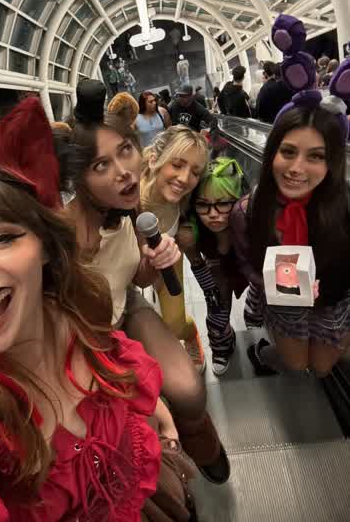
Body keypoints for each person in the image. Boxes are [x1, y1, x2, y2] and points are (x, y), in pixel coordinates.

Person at [0, 98, 182, 520]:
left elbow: (113, 363)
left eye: (0, 238)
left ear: (46, 247)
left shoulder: (74, 314)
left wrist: (150, 413)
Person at [62, 78, 231, 484]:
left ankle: (203, 442)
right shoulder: (63, 234)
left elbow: (137, 276)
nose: (123, 172)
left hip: (127, 305)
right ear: (79, 177)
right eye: (100, 165)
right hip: (83, 336)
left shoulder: (130, 206)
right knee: (135, 423)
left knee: (189, 391)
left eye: (125, 151)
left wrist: (157, 260)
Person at [231, 15, 350, 377]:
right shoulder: (250, 210)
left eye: (316, 156)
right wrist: (275, 283)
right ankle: (267, 351)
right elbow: (248, 261)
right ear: (272, 153)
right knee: (297, 365)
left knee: (323, 367)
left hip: (334, 299)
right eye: (288, 152)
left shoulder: (344, 202)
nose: (297, 168)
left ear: (332, 162)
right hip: (284, 301)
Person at [140, 126, 209, 370]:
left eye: (195, 172)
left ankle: (191, 336)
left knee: (175, 323)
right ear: (154, 160)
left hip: (169, 261)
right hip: (132, 267)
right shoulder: (130, 197)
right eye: (177, 165)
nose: (184, 178)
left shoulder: (184, 199)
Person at [184, 158, 247, 375]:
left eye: (223, 203)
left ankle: (253, 309)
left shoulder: (248, 218)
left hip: (249, 264)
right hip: (216, 265)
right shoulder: (191, 229)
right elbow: (197, 263)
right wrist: (214, 297)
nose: (213, 213)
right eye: (203, 204)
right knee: (216, 307)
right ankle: (221, 345)